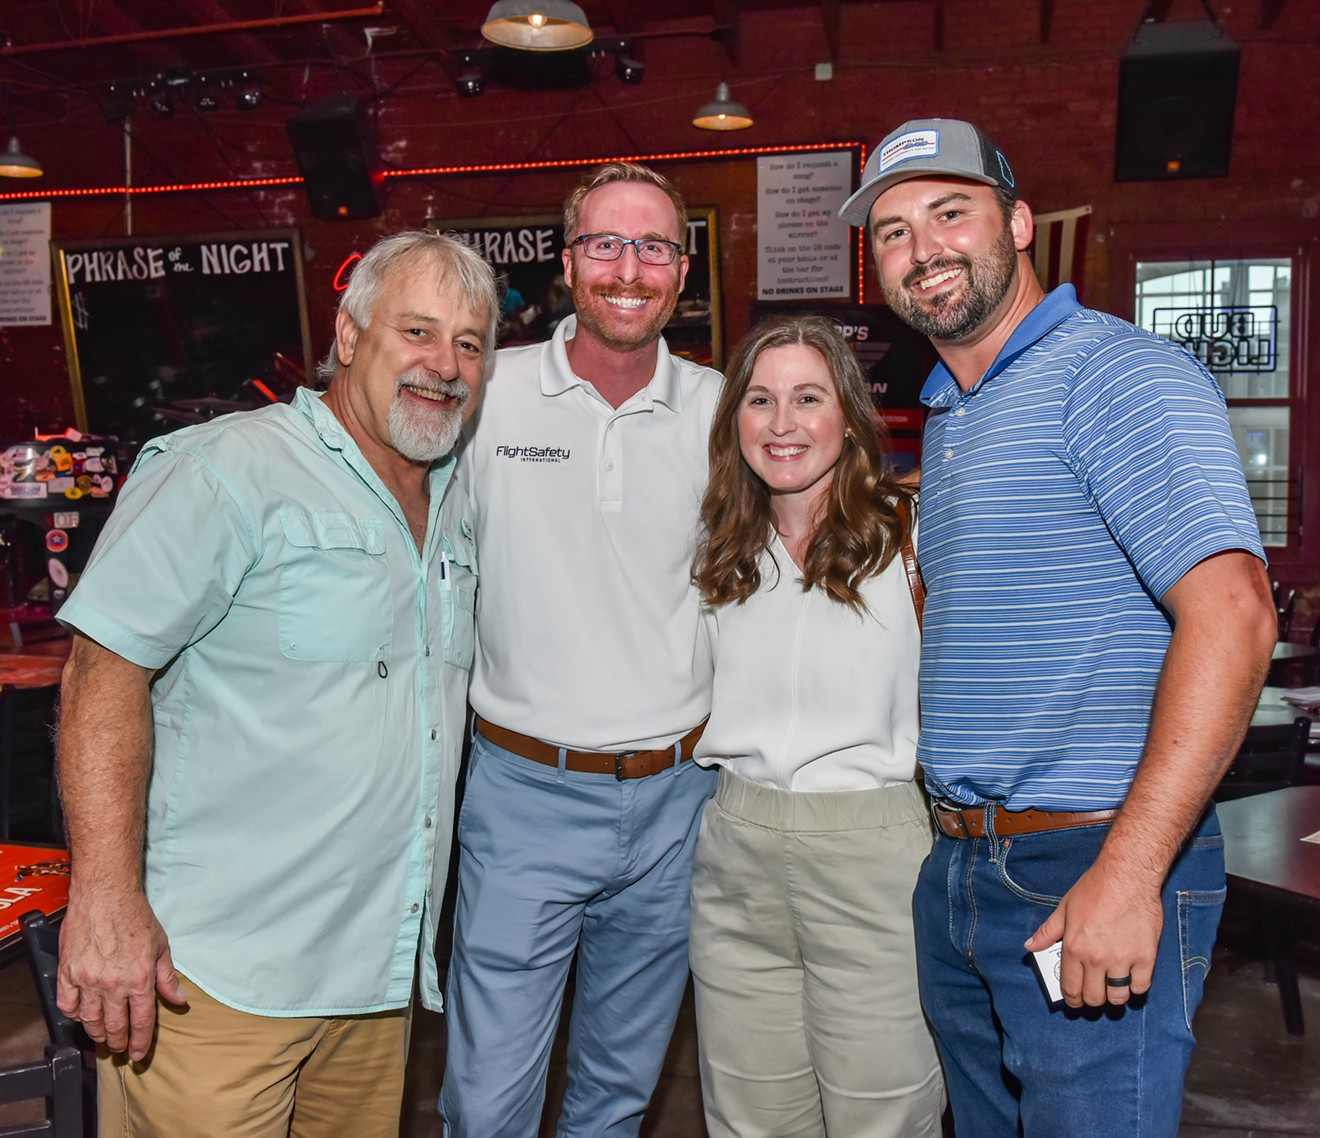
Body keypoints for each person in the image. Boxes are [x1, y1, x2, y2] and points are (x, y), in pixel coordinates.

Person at [836, 117, 1279, 1136]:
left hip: (1088, 859)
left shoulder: (1113, 374)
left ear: (1021, 223)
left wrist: (1129, 875)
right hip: (961, 867)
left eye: (952, 212)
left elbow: (1235, 614)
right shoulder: (954, 411)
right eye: (895, 231)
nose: (924, 247)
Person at [53, 230, 499, 1138]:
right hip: (214, 978)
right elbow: (100, 674)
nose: (443, 365)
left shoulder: (457, 502)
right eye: (416, 331)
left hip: (376, 979)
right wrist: (104, 899)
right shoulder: (225, 471)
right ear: (347, 333)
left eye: (469, 343)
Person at [439, 162, 721, 1137]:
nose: (629, 267)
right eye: (606, 242)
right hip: (523, 799)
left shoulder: (728, 412)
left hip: (680, 801)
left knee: (617, 1095)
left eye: (653, 246)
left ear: (681, 270)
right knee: (487, 1102)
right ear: (568, 264)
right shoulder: (490, 395)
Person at [688, 314, 944, 1137]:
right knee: (749, 1119)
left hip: (876, 854)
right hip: (736, 850)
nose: (783, 423)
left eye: (808, 397)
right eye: (760, 400)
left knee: (885, 1115)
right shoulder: (720, 547)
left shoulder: (913, 535)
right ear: (735, 422)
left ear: (850, 416)